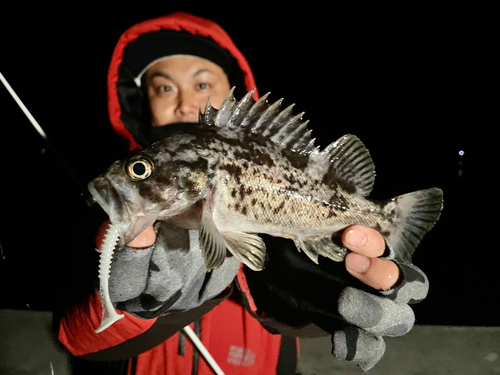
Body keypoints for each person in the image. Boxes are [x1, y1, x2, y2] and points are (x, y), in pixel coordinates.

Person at [58, 12, 429, 374]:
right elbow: (73, 339)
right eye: (164, 87)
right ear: (143, 102)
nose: (186, 102)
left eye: (202, 84)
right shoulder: (106, 217)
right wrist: (133, 312)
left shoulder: (216, 163)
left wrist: (300, 300)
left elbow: (250, 252)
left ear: (233, 92)